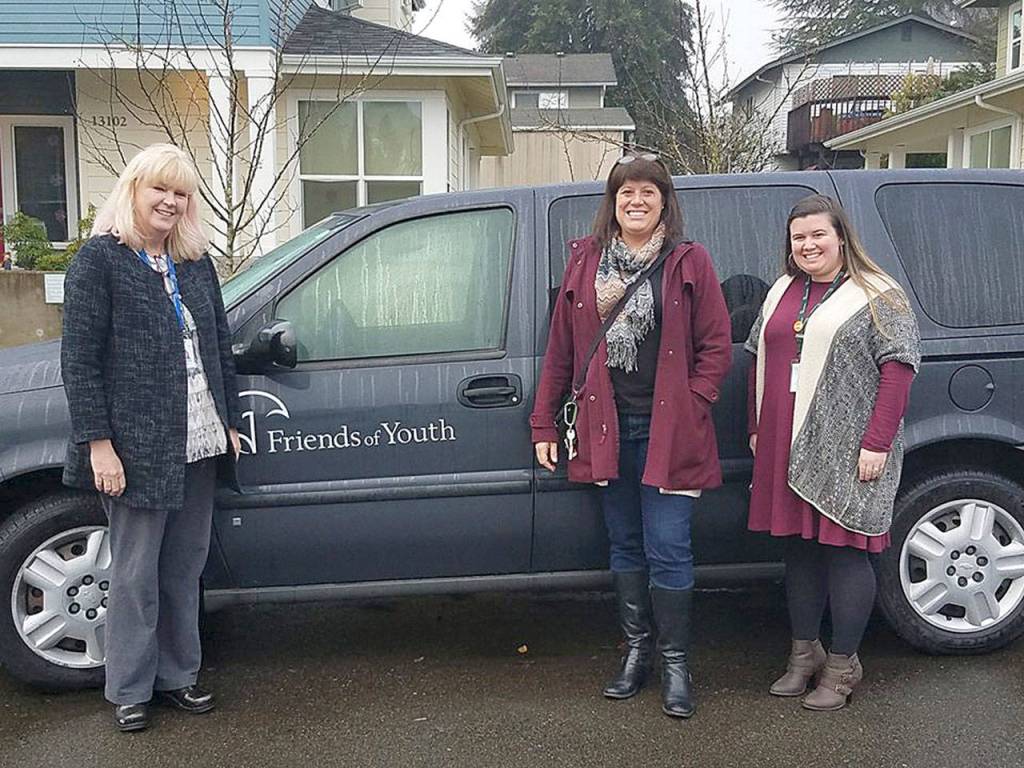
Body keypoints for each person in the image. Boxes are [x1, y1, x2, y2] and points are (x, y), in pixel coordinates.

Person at [530, 153, 731, 719]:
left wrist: (695, 402)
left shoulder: (689, 262)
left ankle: (674, 663)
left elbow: (716, 345)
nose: (636, 201)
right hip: (606, 429)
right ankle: (636, 653)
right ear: (612, 201)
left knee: (669, 548)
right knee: (624, 546)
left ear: (665, 200)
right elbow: (562, 351)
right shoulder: (586, 262)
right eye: (625, 192)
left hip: (671, 430)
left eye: (648, 192)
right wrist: (544, 420)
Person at [61, 144, 241, 732]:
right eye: (159, 189)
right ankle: (131, 689)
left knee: (183, 569)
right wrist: (98, 444)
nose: (170, 201)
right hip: (135, 450)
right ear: (133, 191)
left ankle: (178, 677)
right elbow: (79, 363)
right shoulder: (99, 262)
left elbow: (216, 349)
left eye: (181, 193)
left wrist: (231, 420)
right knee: (136, 573)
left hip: (199, 441)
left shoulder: (195, 262)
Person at [745, 194, 920, 711]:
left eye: (818, 234)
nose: (808, 244)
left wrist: (877, 442)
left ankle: (843, 665)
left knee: (845, 552)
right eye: (799, 237)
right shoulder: (782, 291)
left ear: (841, 236)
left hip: (847, 446)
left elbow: (899, 368)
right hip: (785, 441)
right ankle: (805, 655)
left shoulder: (877, 294)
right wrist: (755, 427)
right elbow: (758, 357)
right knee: (799, 551)